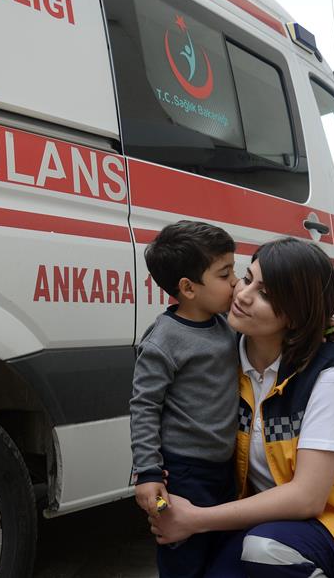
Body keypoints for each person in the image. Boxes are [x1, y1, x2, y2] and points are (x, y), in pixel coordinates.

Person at [150, 237, 334, 578]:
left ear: (296, 313)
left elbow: (307, 498)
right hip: (270, 520)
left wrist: (194, 520)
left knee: (265, 551)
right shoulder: (223, 357)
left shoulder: (330, 378)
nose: (242, 294)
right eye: (247, 278)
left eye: (267, 295)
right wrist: (153, 481)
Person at [130, 220, 240, 578]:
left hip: (224, 468)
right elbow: (145, 406)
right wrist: (148, 476)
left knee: (222, 551)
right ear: (188, 289)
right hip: (179, 473)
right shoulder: (163, 340)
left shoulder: (225, 325)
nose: (236, 282)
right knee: (178, 547)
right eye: (225, 274)